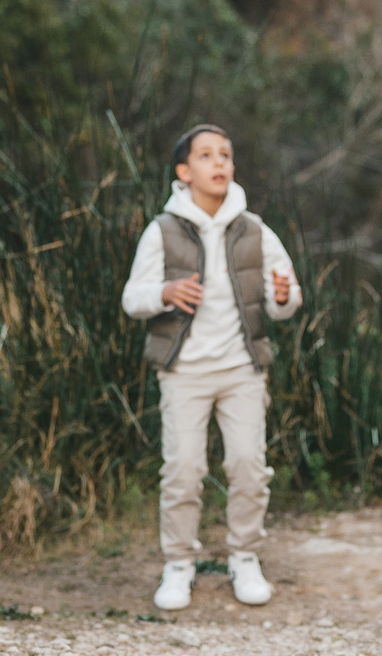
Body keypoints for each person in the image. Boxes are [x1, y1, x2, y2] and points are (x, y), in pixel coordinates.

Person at [120, 124, 301, 612]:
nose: (219, 163)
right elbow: (132, 297)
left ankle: (244, 556)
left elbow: (286, 296)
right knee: (183, 469)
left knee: (247, 465)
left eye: (225, 153)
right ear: (184, 172)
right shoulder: (163, 230)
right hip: (184, 373)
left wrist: (283, 297)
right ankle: (179, 562)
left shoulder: (255, 229)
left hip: (243, 369)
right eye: (206, 155)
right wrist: (163, 293)